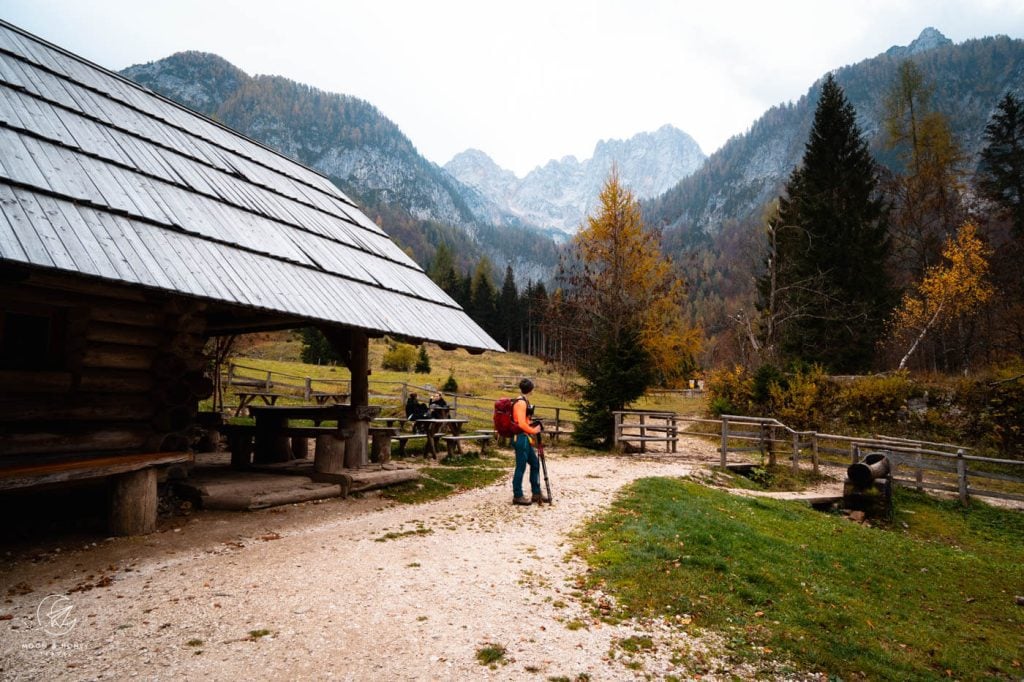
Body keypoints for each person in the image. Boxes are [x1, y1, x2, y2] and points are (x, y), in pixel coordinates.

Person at [512, 378, 547, 505]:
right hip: (520, 437)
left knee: (535, 464)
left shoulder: (524, 400)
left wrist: (533, 424)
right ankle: (517, 495)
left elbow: (525, 421)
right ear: (530, 389)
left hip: (525, 437)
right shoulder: (520, 403)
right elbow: (521, 423)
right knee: (520, 467)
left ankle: (536, 493)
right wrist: (533, 430)